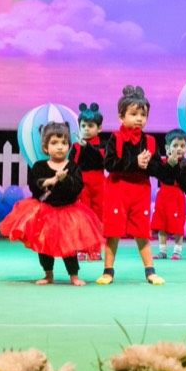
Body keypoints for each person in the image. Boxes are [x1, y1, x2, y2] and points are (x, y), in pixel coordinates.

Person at [0, 121, 104, 285]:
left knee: (69, 246)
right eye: (54, 143)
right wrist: (51, 180)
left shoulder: (72, 166)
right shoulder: (39, 166)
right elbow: (34, 186)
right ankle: (48, 274)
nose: (60, 147)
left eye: (64, 143)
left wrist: (65, 179)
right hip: (45, 211)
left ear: (69, 146)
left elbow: (77, 187)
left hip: (68, 212)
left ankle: (74, 275)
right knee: (44, 244)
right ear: (46, 147)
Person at [98, 85, 165, 285]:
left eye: (142, 115)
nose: (138, 119)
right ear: (121, 117)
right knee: (113, 232)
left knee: (142, 232)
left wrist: (150, 165)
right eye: (133, 114)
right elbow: (109, 164)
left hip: (140, 192)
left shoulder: (151, 141)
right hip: (118, 190)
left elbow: (157, 169)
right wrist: (134, 162)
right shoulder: (115, 139)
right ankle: (108, 271)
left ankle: (150, 271)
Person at [151, 129, 186, 260]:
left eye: (182, 146)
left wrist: (179, 167)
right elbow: (163, 178)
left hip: (177, 197)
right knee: (161, 224)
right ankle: (162, 251)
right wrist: (170, 165)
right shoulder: (163, 163)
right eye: (175, 145)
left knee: (177, 224)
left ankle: (177, 251)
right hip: (163, 195)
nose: (179, 149)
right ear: (167, 147)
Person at [73, 102, 107, 260]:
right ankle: (80, 249)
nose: (87, 129)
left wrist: (86, 146)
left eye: (91, 125)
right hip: (82, 184)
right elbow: (72, 165)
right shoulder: (76, 146)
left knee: (98, 218)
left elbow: (102, 160)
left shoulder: (102, 145)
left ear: (99, 128)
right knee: (82, 217)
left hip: (99, 184)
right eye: (83, 125)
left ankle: (96, 250)